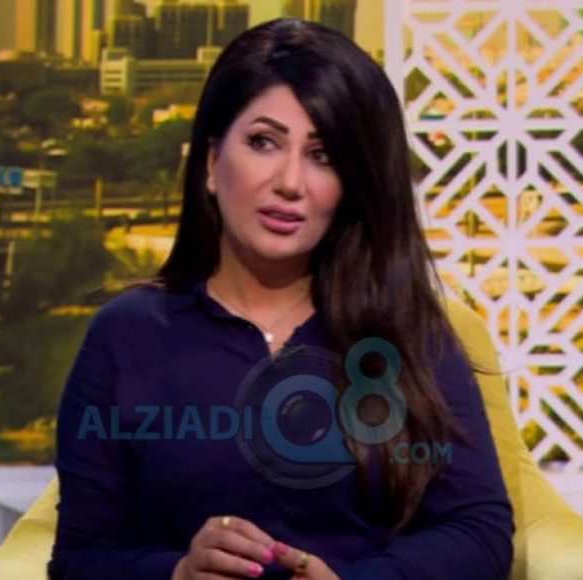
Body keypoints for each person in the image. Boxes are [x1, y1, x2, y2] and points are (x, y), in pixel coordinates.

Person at [48, 18, 514, 580]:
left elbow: (479, 531)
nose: (290, 182)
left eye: (324, 155)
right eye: (263, 143)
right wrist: (177, 573)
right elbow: (79, 559)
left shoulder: (406, 330)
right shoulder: (127, 334)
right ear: (211, 163)